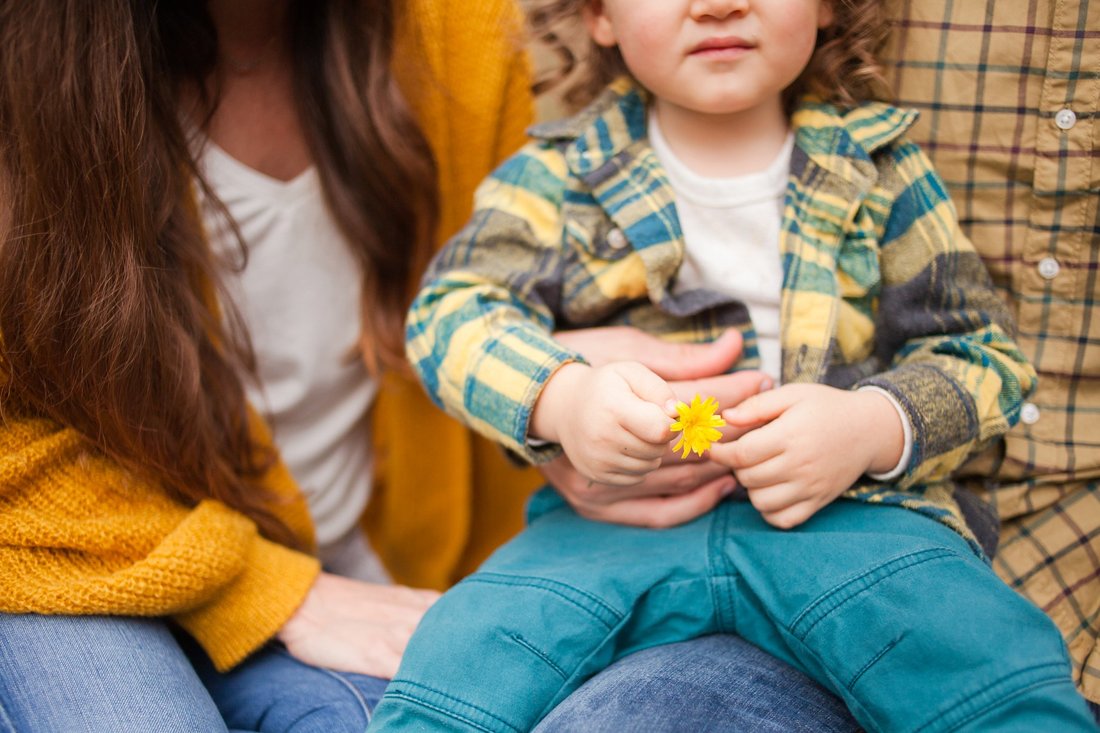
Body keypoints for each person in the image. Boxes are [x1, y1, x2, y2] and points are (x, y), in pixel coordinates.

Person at [369, 0, 1097, 730]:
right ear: (598, 15)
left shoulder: (881, 167)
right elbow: (450, 314)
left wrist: (868, 426)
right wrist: (562, 397)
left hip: (850, 524)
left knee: (985, 654)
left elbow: (982, 354)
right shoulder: (559, 174)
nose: (718, 3)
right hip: (613, 528)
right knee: (462, 659)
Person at [0, 0, 544, 730]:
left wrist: (573, 401)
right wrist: (273, 589)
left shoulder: (468, 33)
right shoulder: (25, 66)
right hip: (62, 545)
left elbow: (558, 279)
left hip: (361, 574)